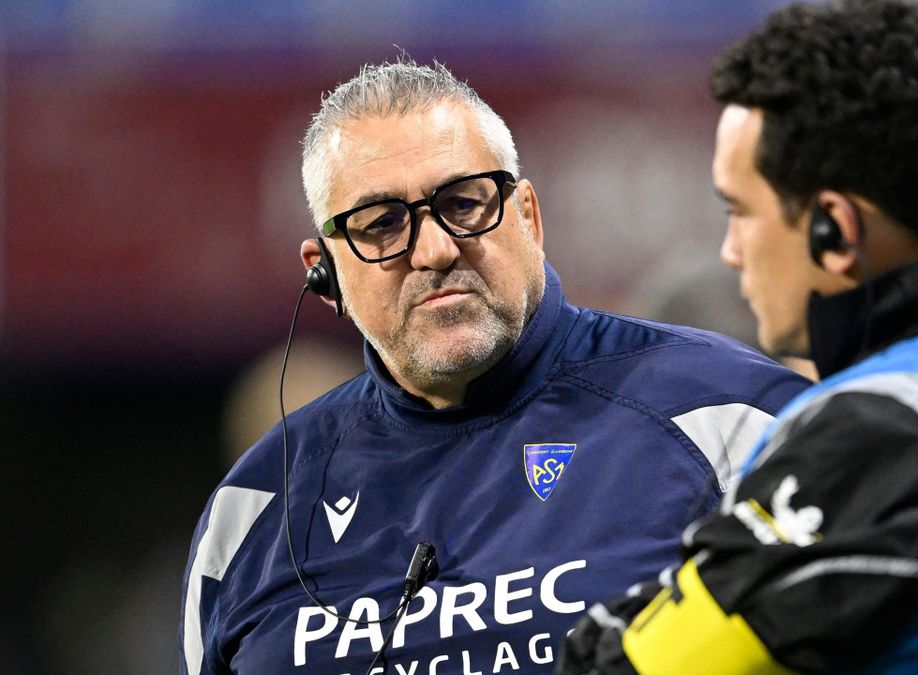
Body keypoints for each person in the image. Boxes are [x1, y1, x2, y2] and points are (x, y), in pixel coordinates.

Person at [178, 58, 810, 675]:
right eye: (380, 224)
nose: (433, 249)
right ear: (326, 274)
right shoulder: (252, 509)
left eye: (463, 203)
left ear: (529, 217)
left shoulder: (729, 416)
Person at [558, 1, 918, 673]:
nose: (731, 250)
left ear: (834, 228)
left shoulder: (889, 427)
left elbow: (643, 666)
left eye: (741, 212)